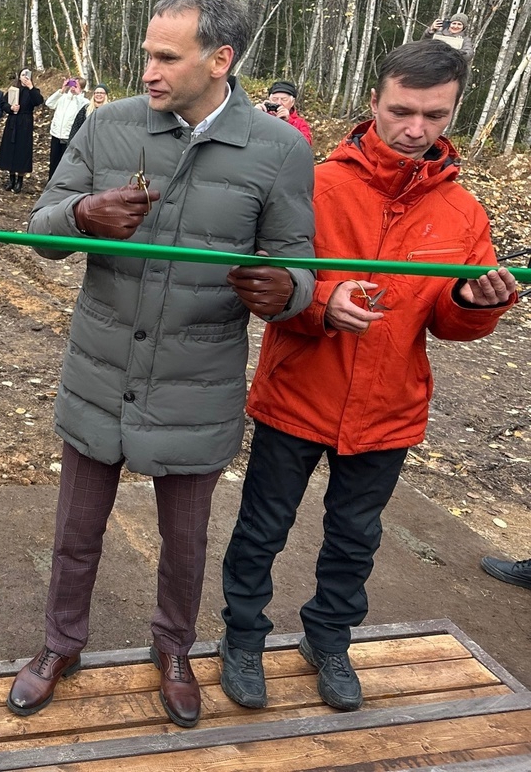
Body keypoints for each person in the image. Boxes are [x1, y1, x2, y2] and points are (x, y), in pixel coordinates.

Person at [11, 0, 315, 728]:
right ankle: (60, 643)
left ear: (220, 60)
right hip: (100, 372)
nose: (147, 69)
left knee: (184, 542)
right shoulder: (108, 127)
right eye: (147, 52)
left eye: (165, 57)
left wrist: (285, 291)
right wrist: (81, 215)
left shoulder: (279, 149)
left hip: (197, 383)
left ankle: (174, 649)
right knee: (76, 532)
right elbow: (41, 231)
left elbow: (300, 264)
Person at [218, 40, 517, 714]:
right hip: (298, 394)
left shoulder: (464, 212)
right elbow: (266, 283)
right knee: (262, 529)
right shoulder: (315, 184)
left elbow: (448, 318)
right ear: (373, 103)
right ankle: (242, 637)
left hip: (389, 407)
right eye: (402, 111)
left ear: (454, 109)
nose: (416, 130)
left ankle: (328, 638)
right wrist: (321, 304)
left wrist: (474, 304)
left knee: (356, 537)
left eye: (434, 116)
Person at [0, 69, 43, 193]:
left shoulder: (33, 91)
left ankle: (20, 180)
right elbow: (3, 104)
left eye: (27, 75)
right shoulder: (13, 89)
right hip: (13, 121)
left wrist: (31, 87)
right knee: (11, 149)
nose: (25, 77)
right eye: (23, 75)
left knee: (22, 150)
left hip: (25, 123)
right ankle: (11, 178)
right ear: (19, 76)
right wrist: (10, 108)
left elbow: (38, 101)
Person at [45, 78, 86, 180]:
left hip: (68, 137)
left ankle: (62, 183)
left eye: (76, 86)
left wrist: (78, 94)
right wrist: (62, 90)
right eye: (72, 84)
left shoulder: (82, 101)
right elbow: (49, 103)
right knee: (54, 161)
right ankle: (51, 182)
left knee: (65, 163)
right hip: (56, 134)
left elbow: (85, 108)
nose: (73, 87)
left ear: (81, 88)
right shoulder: (63, 97)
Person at [256, 79, 312, 144]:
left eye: (284, 99)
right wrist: (254, 116)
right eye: (275, 99)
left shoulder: (300, 124)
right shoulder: (262, 116)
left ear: (292, 102)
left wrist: (289, 122)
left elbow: (304, 146)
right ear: (269, 100)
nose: (279, 103)